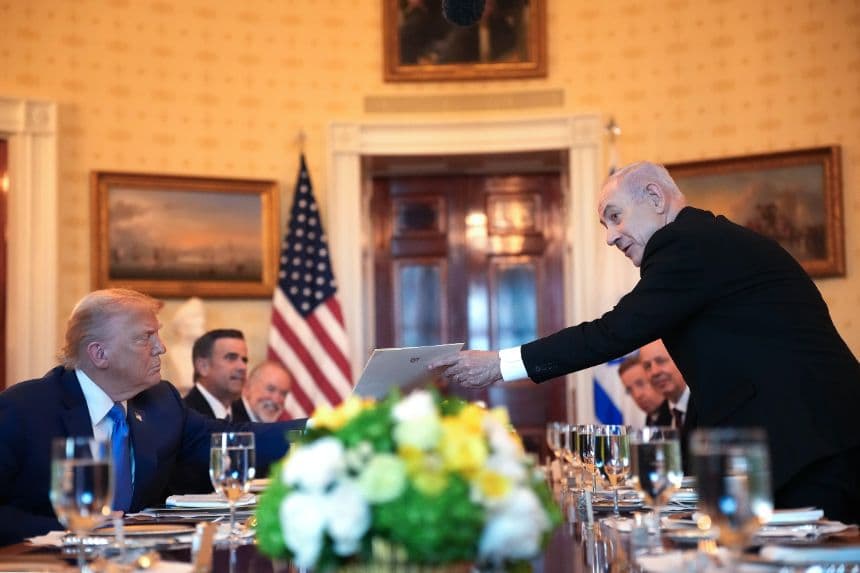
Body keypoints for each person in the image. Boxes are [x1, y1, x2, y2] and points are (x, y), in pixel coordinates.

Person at [430, 161, 860, 523]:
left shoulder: (688, 244)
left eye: (615, 217)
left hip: (813, 447)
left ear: (656, 198)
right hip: (805, 443)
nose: (610, 237)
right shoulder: (704, 241)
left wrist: (501, 364)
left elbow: (614, 332)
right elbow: (723, 379)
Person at [0, 288, 305, 545]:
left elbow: (230, 439)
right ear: (99, 353)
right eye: (146, 337)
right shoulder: (24, 409)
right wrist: (69, 528)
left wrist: (323, 430)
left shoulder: (161, 403)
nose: (161, 348)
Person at [184, 329, 249, 421]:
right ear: (203, 366)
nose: (243, 367)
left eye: (244, 360)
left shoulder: (245, 416)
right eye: (231, 357)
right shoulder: (183, 416)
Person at [639, 340, 689, 430]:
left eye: (661, 361)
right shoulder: (657, 418)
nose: (654, 372)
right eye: (647, 366)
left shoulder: (708, 406)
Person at [164, 297, 206, 395]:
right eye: (196, 317)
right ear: (183, 324)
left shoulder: (206, 355)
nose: (202, 321)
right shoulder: (173, 354)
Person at [617, 354, 670, 427]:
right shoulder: (651, 419)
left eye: (640, 384)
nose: (637, 395)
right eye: (630, 390)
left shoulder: (677, 416)